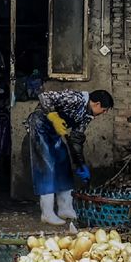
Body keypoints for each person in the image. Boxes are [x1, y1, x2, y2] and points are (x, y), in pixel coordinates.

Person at [27, 89, 113, 225]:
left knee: (63, 165)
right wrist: (53, 116)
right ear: (96, 104)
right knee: (47, 167)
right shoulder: (76, 98)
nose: (105, 113)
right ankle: (47, 213)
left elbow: (76, 140)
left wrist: (81, 163)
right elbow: (45, 96)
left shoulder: (87, 116)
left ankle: (65, 208)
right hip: (40, 127)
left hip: (55, 132)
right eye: (105, 109)